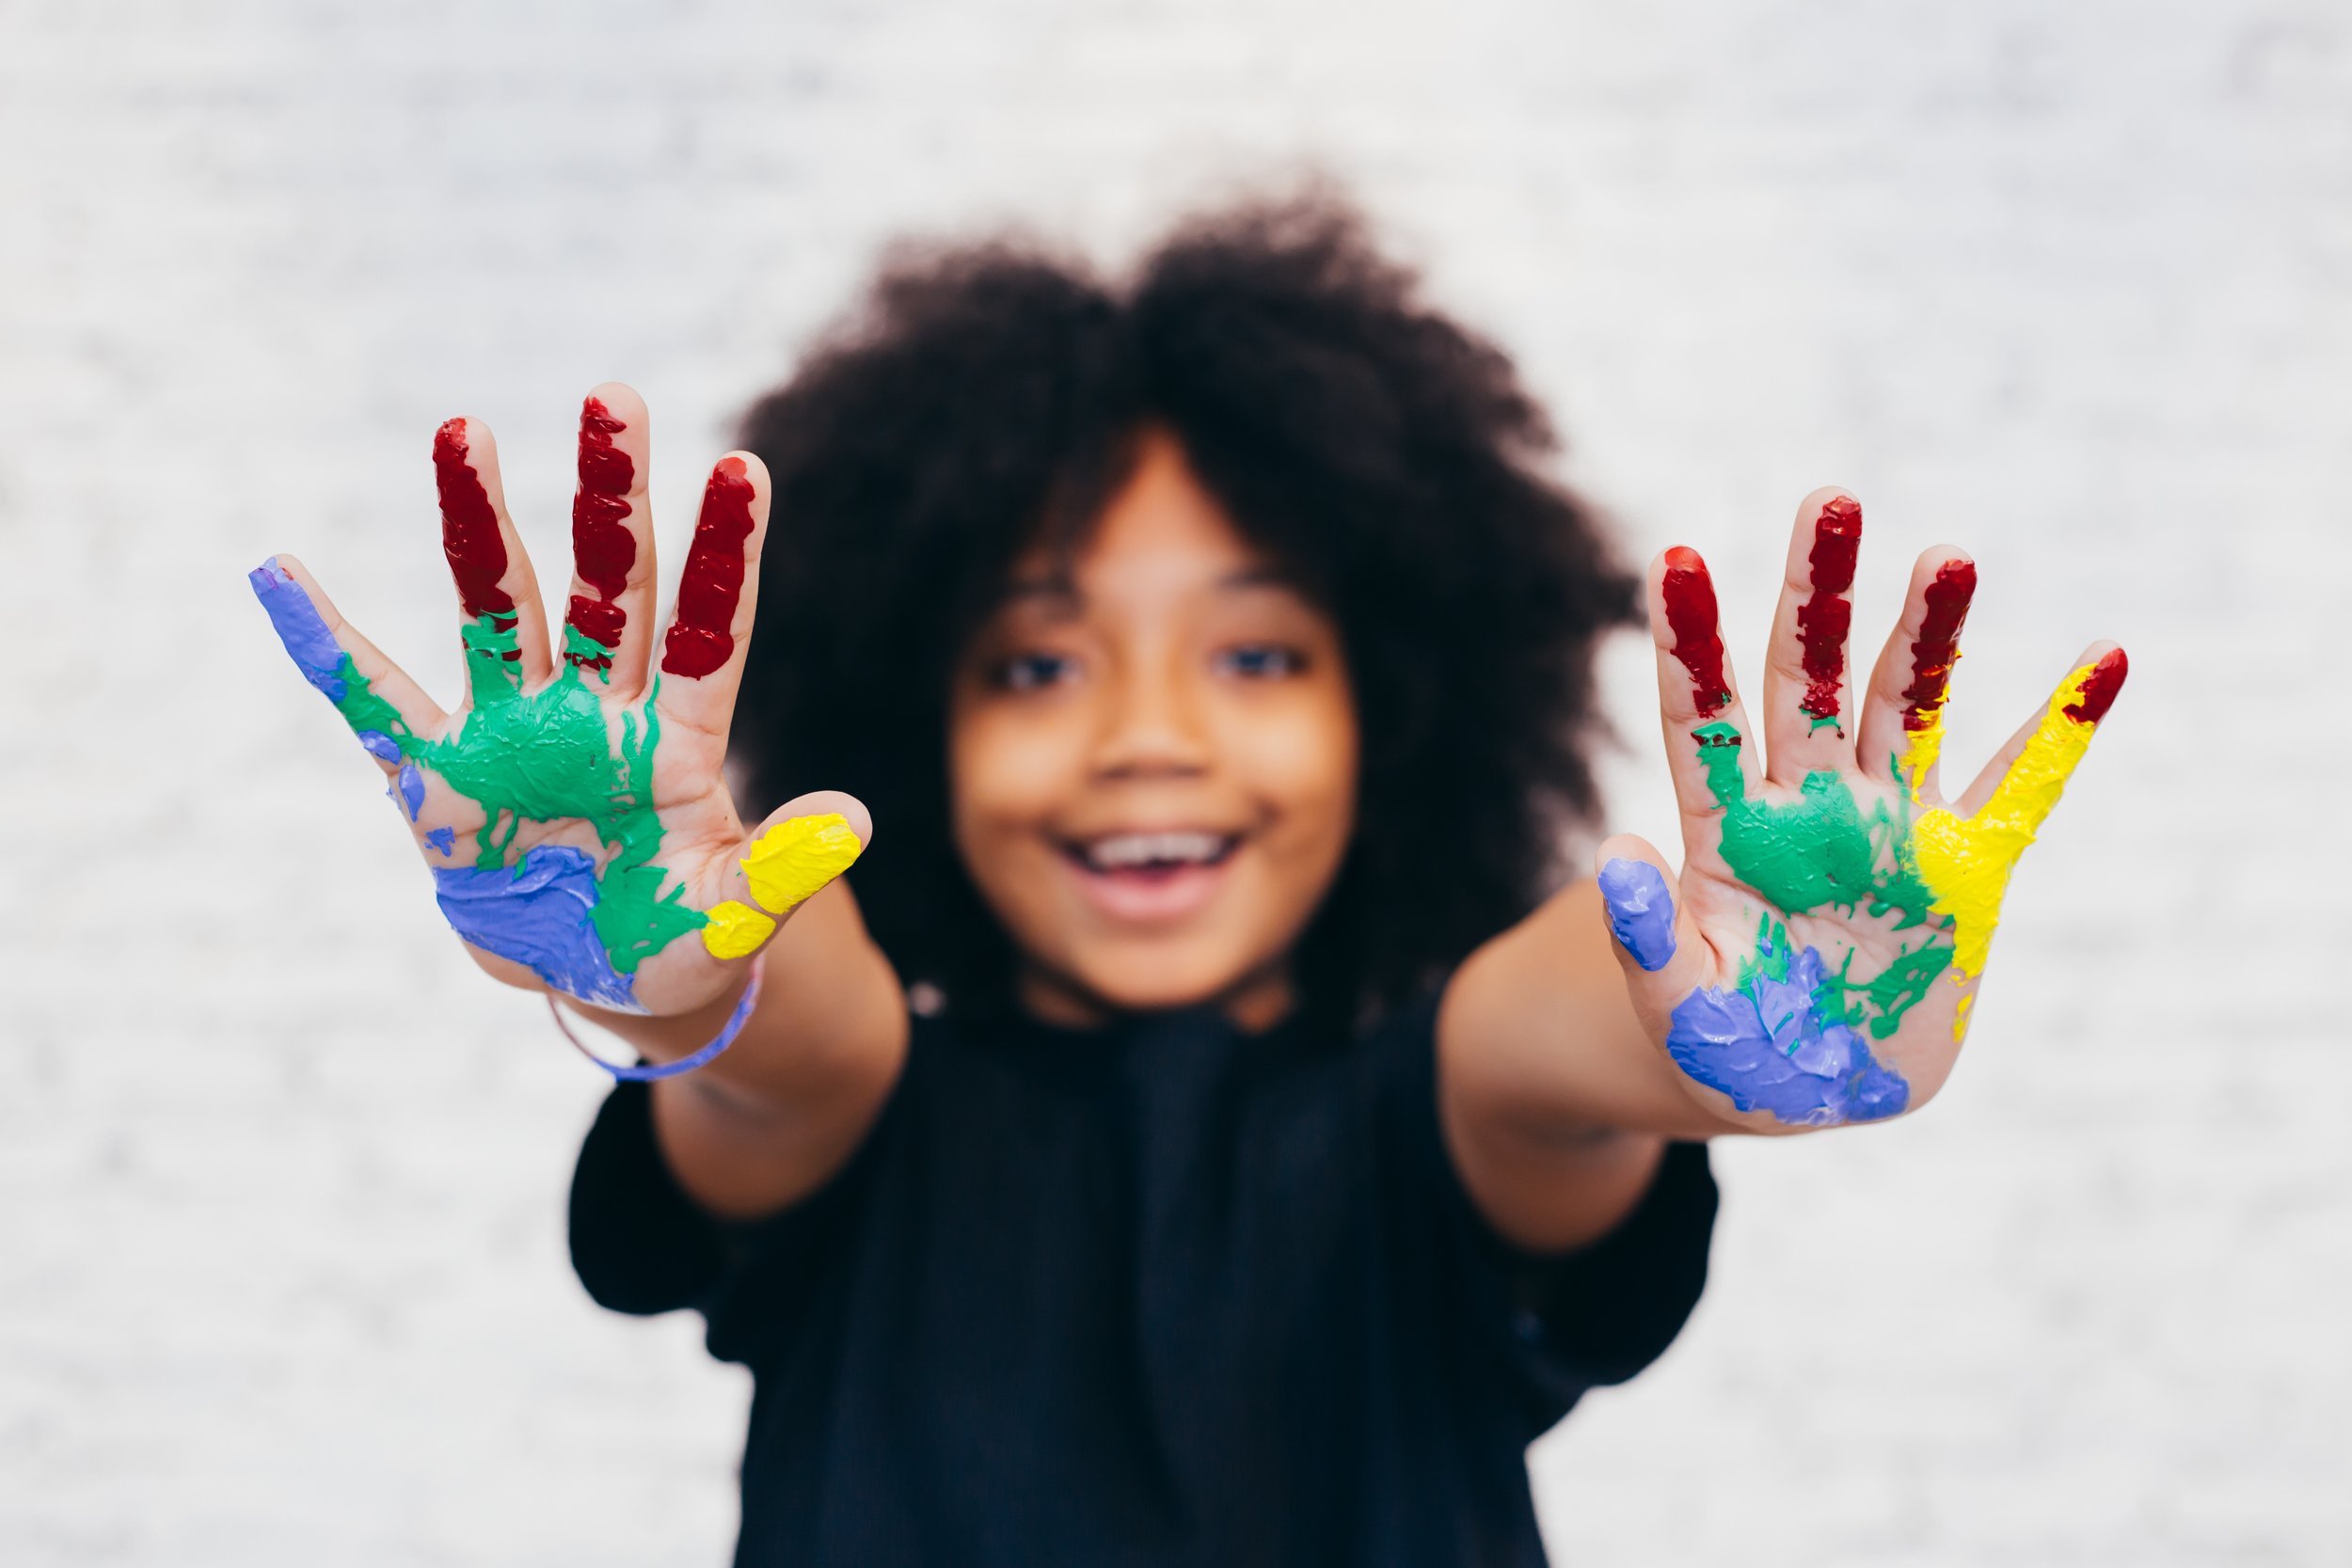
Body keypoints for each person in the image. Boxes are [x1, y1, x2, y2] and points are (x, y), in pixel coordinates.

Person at [247, 197, 2125, 1566]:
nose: (1148, 736)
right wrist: (659, 960)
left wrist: (1714, 1029)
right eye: (1035, 663)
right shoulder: (863, 1114)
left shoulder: (1434, 1106)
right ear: (911, 719)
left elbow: (1550, 1032)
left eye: (1253, 657)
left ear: (1394, 711)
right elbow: (778, 1021)